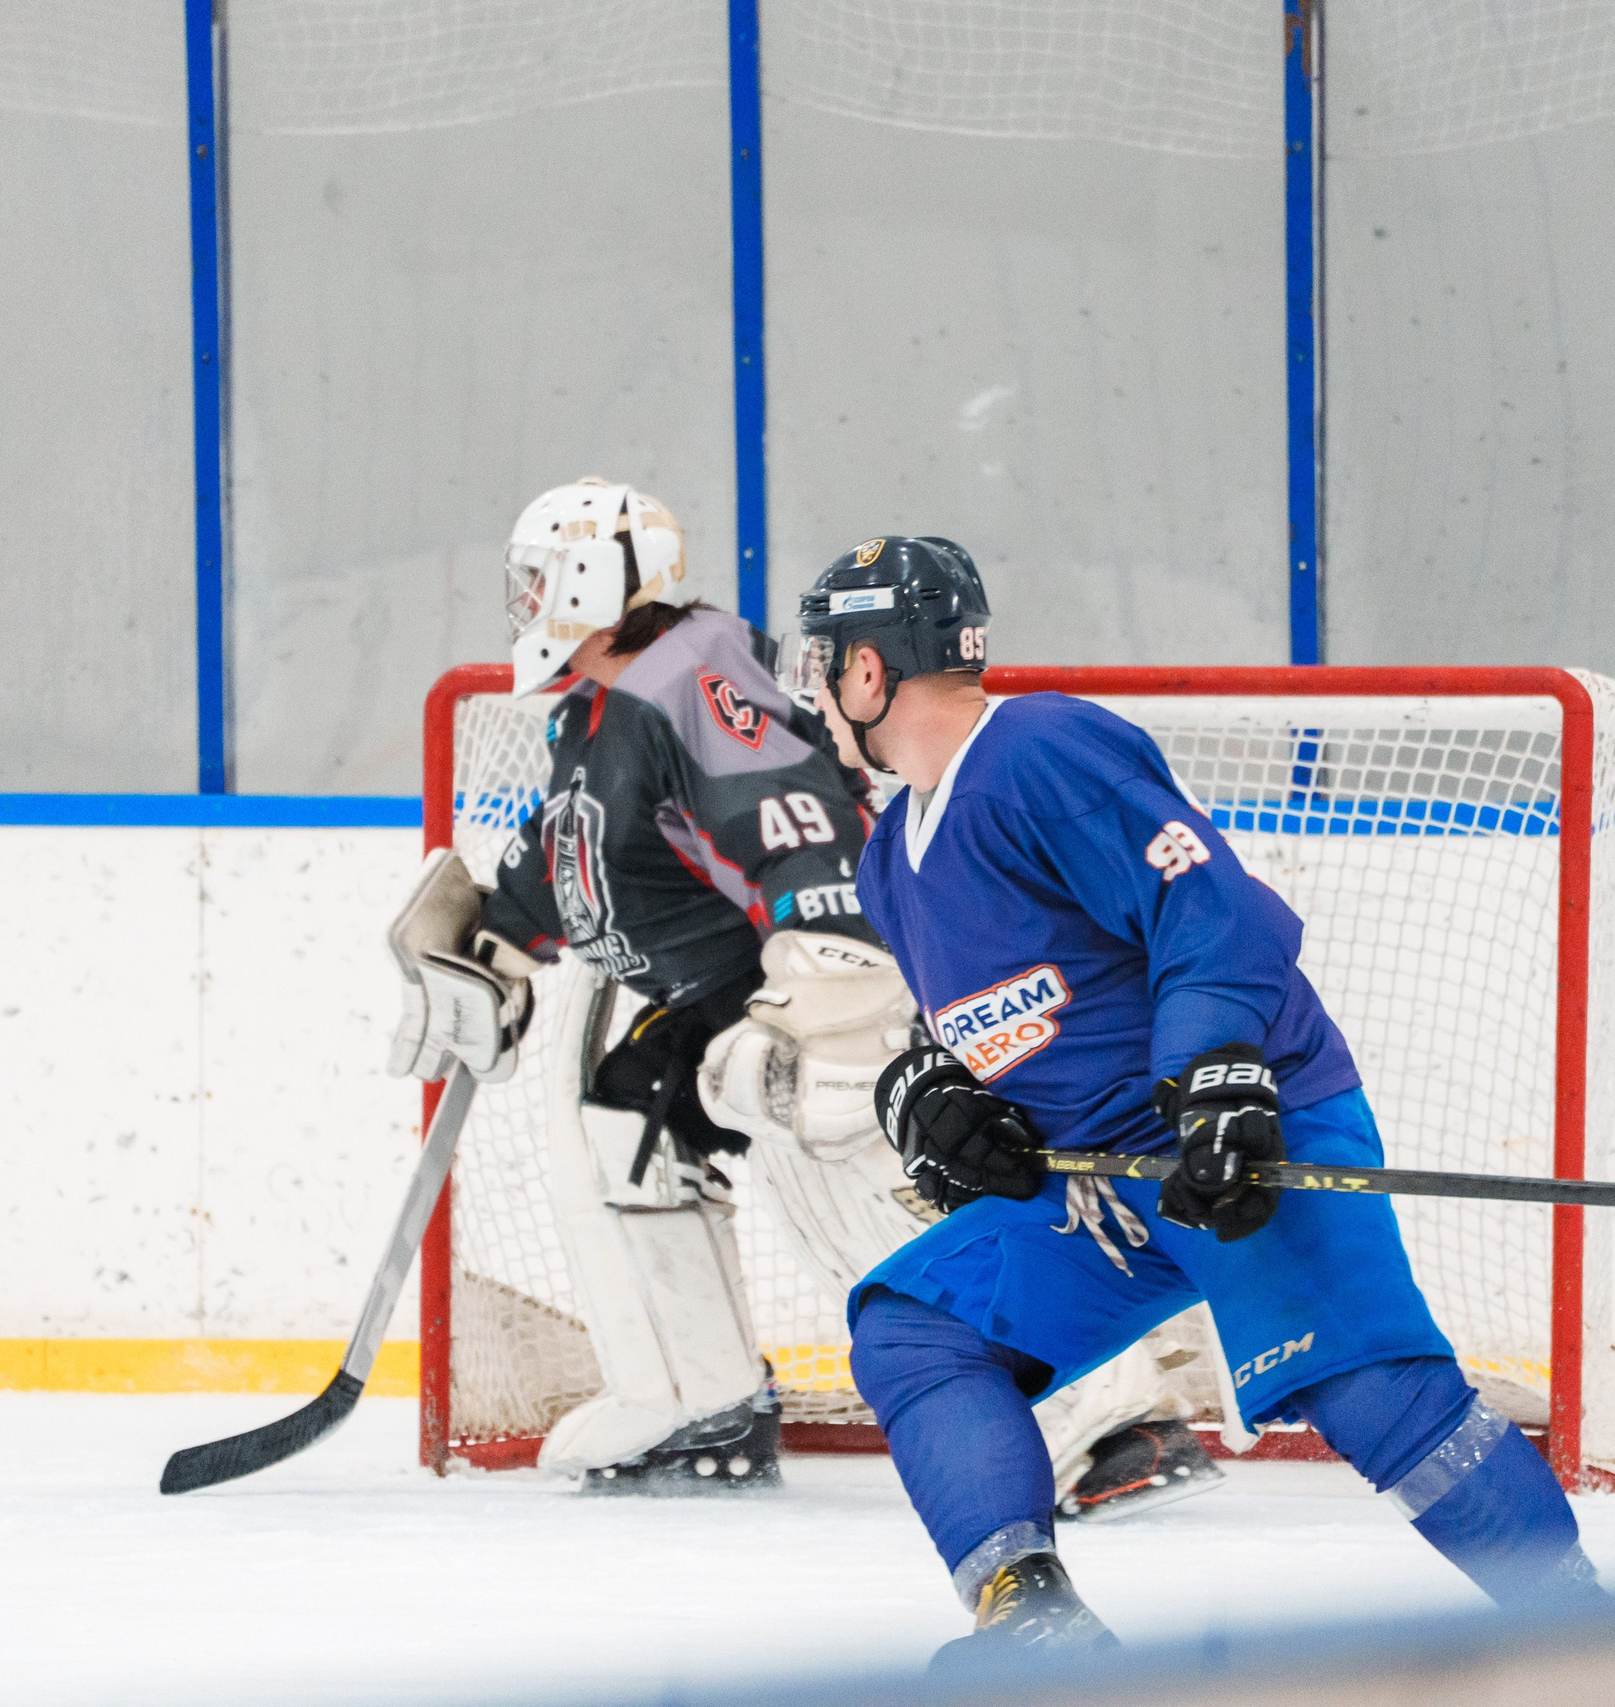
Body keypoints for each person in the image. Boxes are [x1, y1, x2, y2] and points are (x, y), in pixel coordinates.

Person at [790, 536, 1605, 1661]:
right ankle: (1032, 1620)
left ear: (870, 670)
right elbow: (988, 1016)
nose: (817, 692)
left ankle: (1598, 1639)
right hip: (1103, 1188)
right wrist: (931, 1092)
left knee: (1371, 1395)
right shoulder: (891, 857)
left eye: (824, 661)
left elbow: (1210, 905)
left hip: (1238, 1130)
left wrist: (1219, 1072)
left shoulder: (1037, 752)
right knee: (914, 1327)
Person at [386, 478, 1221, 1507]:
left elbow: (800, 821)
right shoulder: (598, 712)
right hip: (717, 997)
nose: (524, 601)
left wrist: (829, 991)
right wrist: (495, 945)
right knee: (629, 1124)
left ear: (595, 583)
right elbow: (582, 858)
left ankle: (1108, 1424)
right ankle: (703, 1405)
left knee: (864, 1156)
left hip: (819, 984)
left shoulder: (696, 677)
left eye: (540, 579)